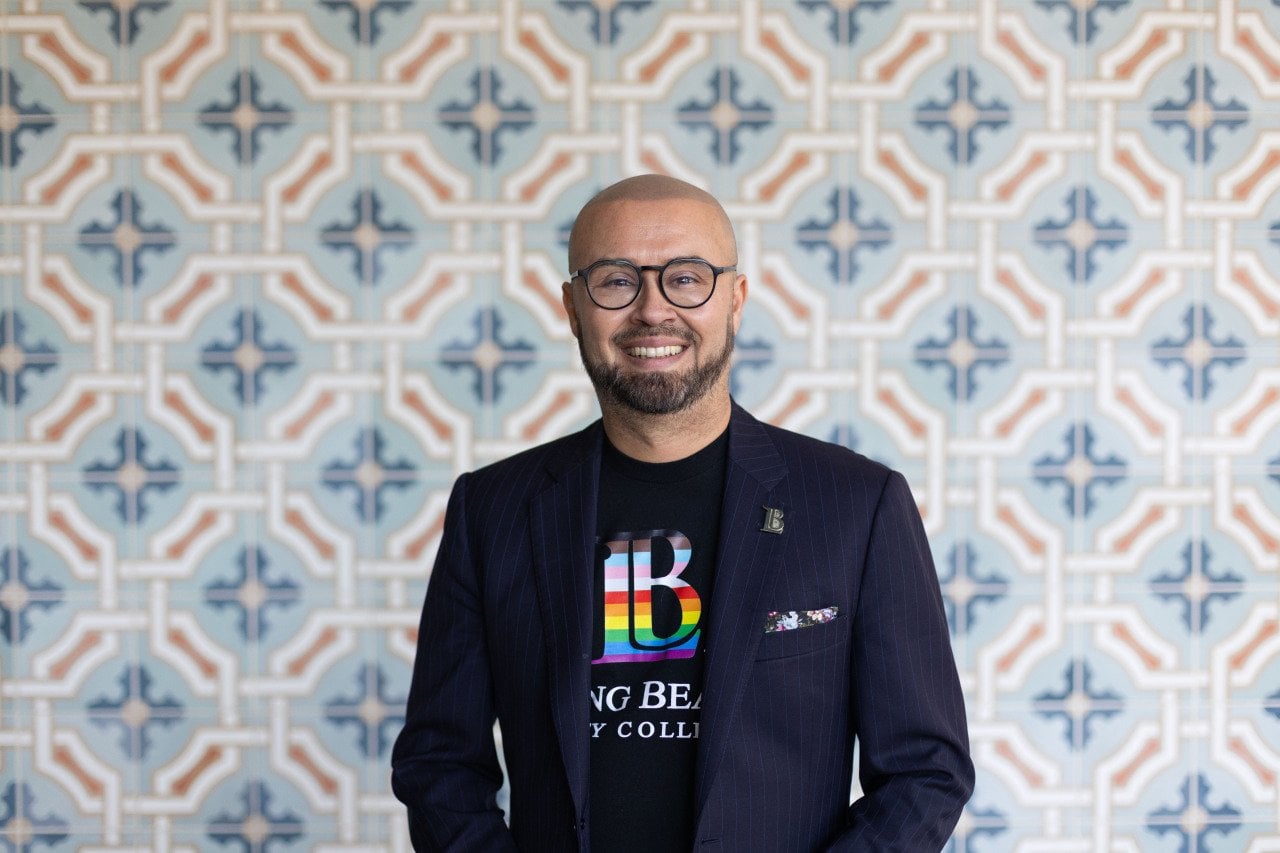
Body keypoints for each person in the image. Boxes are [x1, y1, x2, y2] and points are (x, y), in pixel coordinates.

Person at [391, 174, 974, 851]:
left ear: (735, 299)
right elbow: (438, 761)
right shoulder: (491, 509)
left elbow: (925, 771)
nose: (652, 310)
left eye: (686, 278)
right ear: (573, 307)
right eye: (616, 281)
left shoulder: (857, 505)